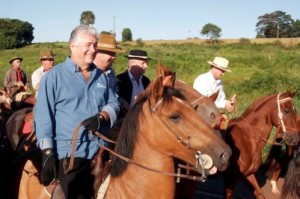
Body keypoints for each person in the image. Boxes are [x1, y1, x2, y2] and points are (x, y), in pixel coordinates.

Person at [34, 25, 120, 198]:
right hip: (72, 153)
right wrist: (48, 152)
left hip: (101, 150)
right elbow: (43, 116)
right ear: (72, 46)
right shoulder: (54, 77)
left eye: (95, 45)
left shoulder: (101, 76)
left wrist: (102, 116)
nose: (93, 49)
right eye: (88, 45)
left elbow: (114, 103)